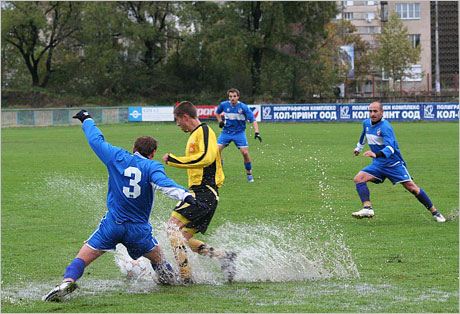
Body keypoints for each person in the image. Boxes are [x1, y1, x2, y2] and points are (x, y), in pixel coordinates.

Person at [43, 110, 209, 302]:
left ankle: (67, 282)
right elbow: (165, 184)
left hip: (112, 225)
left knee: (83, 257)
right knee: (158, 258)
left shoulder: (116, 156)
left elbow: (96, 141)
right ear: (152, 153)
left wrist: (86, 119)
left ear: (133, 148)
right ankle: (172, 282)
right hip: (138, 231)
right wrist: (186, 195)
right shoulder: (152, 167)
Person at [162, 101, 236, 284]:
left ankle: (185, 276)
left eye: (177, 120)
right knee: (183, 238)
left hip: (203, 192)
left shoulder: (204, 132)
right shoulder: (197, 134)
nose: (177, 124)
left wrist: (174, 160)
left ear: (185, 117)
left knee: (172, 228)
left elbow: (206, 158)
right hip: (205, 193)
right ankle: (223, 256)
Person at [352, 102, 446, 223]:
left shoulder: (386, 127)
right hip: (378, 164)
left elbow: (390, 148)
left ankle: (435, 212)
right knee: (359, 178)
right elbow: (364, 135)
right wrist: (358, 148)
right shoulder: (366, 123)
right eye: (370, 111)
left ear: (382, 112)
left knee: (412, 188)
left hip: (393, 164)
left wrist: (376, 154)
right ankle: (367, 208)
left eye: (375, 111)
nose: (372, 114)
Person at [215, 88, 262, 182]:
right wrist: (220, 121)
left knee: (245, 153)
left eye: (234, 96)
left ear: (238, 97)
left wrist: (257, 132)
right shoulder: (224, 105)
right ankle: (219, 172)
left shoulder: (243, 107)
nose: (232, 98)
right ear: (228, 97)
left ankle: (249, 174)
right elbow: (217, 113)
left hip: (239, 133)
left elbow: (253, 120)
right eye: (230, 96)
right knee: (216, 151)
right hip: (226, 132)